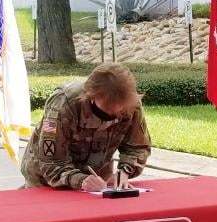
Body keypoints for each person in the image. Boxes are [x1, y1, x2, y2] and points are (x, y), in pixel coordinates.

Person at [21, 63, 152, 191]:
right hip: (47, 182)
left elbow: (138, 147)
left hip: (98, 181)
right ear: (91, 96)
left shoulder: (130, 104)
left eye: (120, 112)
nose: (113, 118)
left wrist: (125, 171)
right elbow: (51, 162)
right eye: (105, 112)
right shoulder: (64, 103)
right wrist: (81, 180)